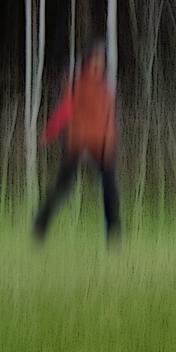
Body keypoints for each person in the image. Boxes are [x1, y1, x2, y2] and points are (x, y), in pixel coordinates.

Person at [33, 39, 120, 243]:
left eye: (101, 60)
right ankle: (40, 225)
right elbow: (67, 109)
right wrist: (49, 132)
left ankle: (113, 237)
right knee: (64, 186)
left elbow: (108, 116)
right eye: (95, 60)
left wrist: (111, 140)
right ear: (88, 61)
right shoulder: (78, 82)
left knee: (109, 190)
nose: (98, 64)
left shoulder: (105, 86)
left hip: (101, 144)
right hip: (79, 141)